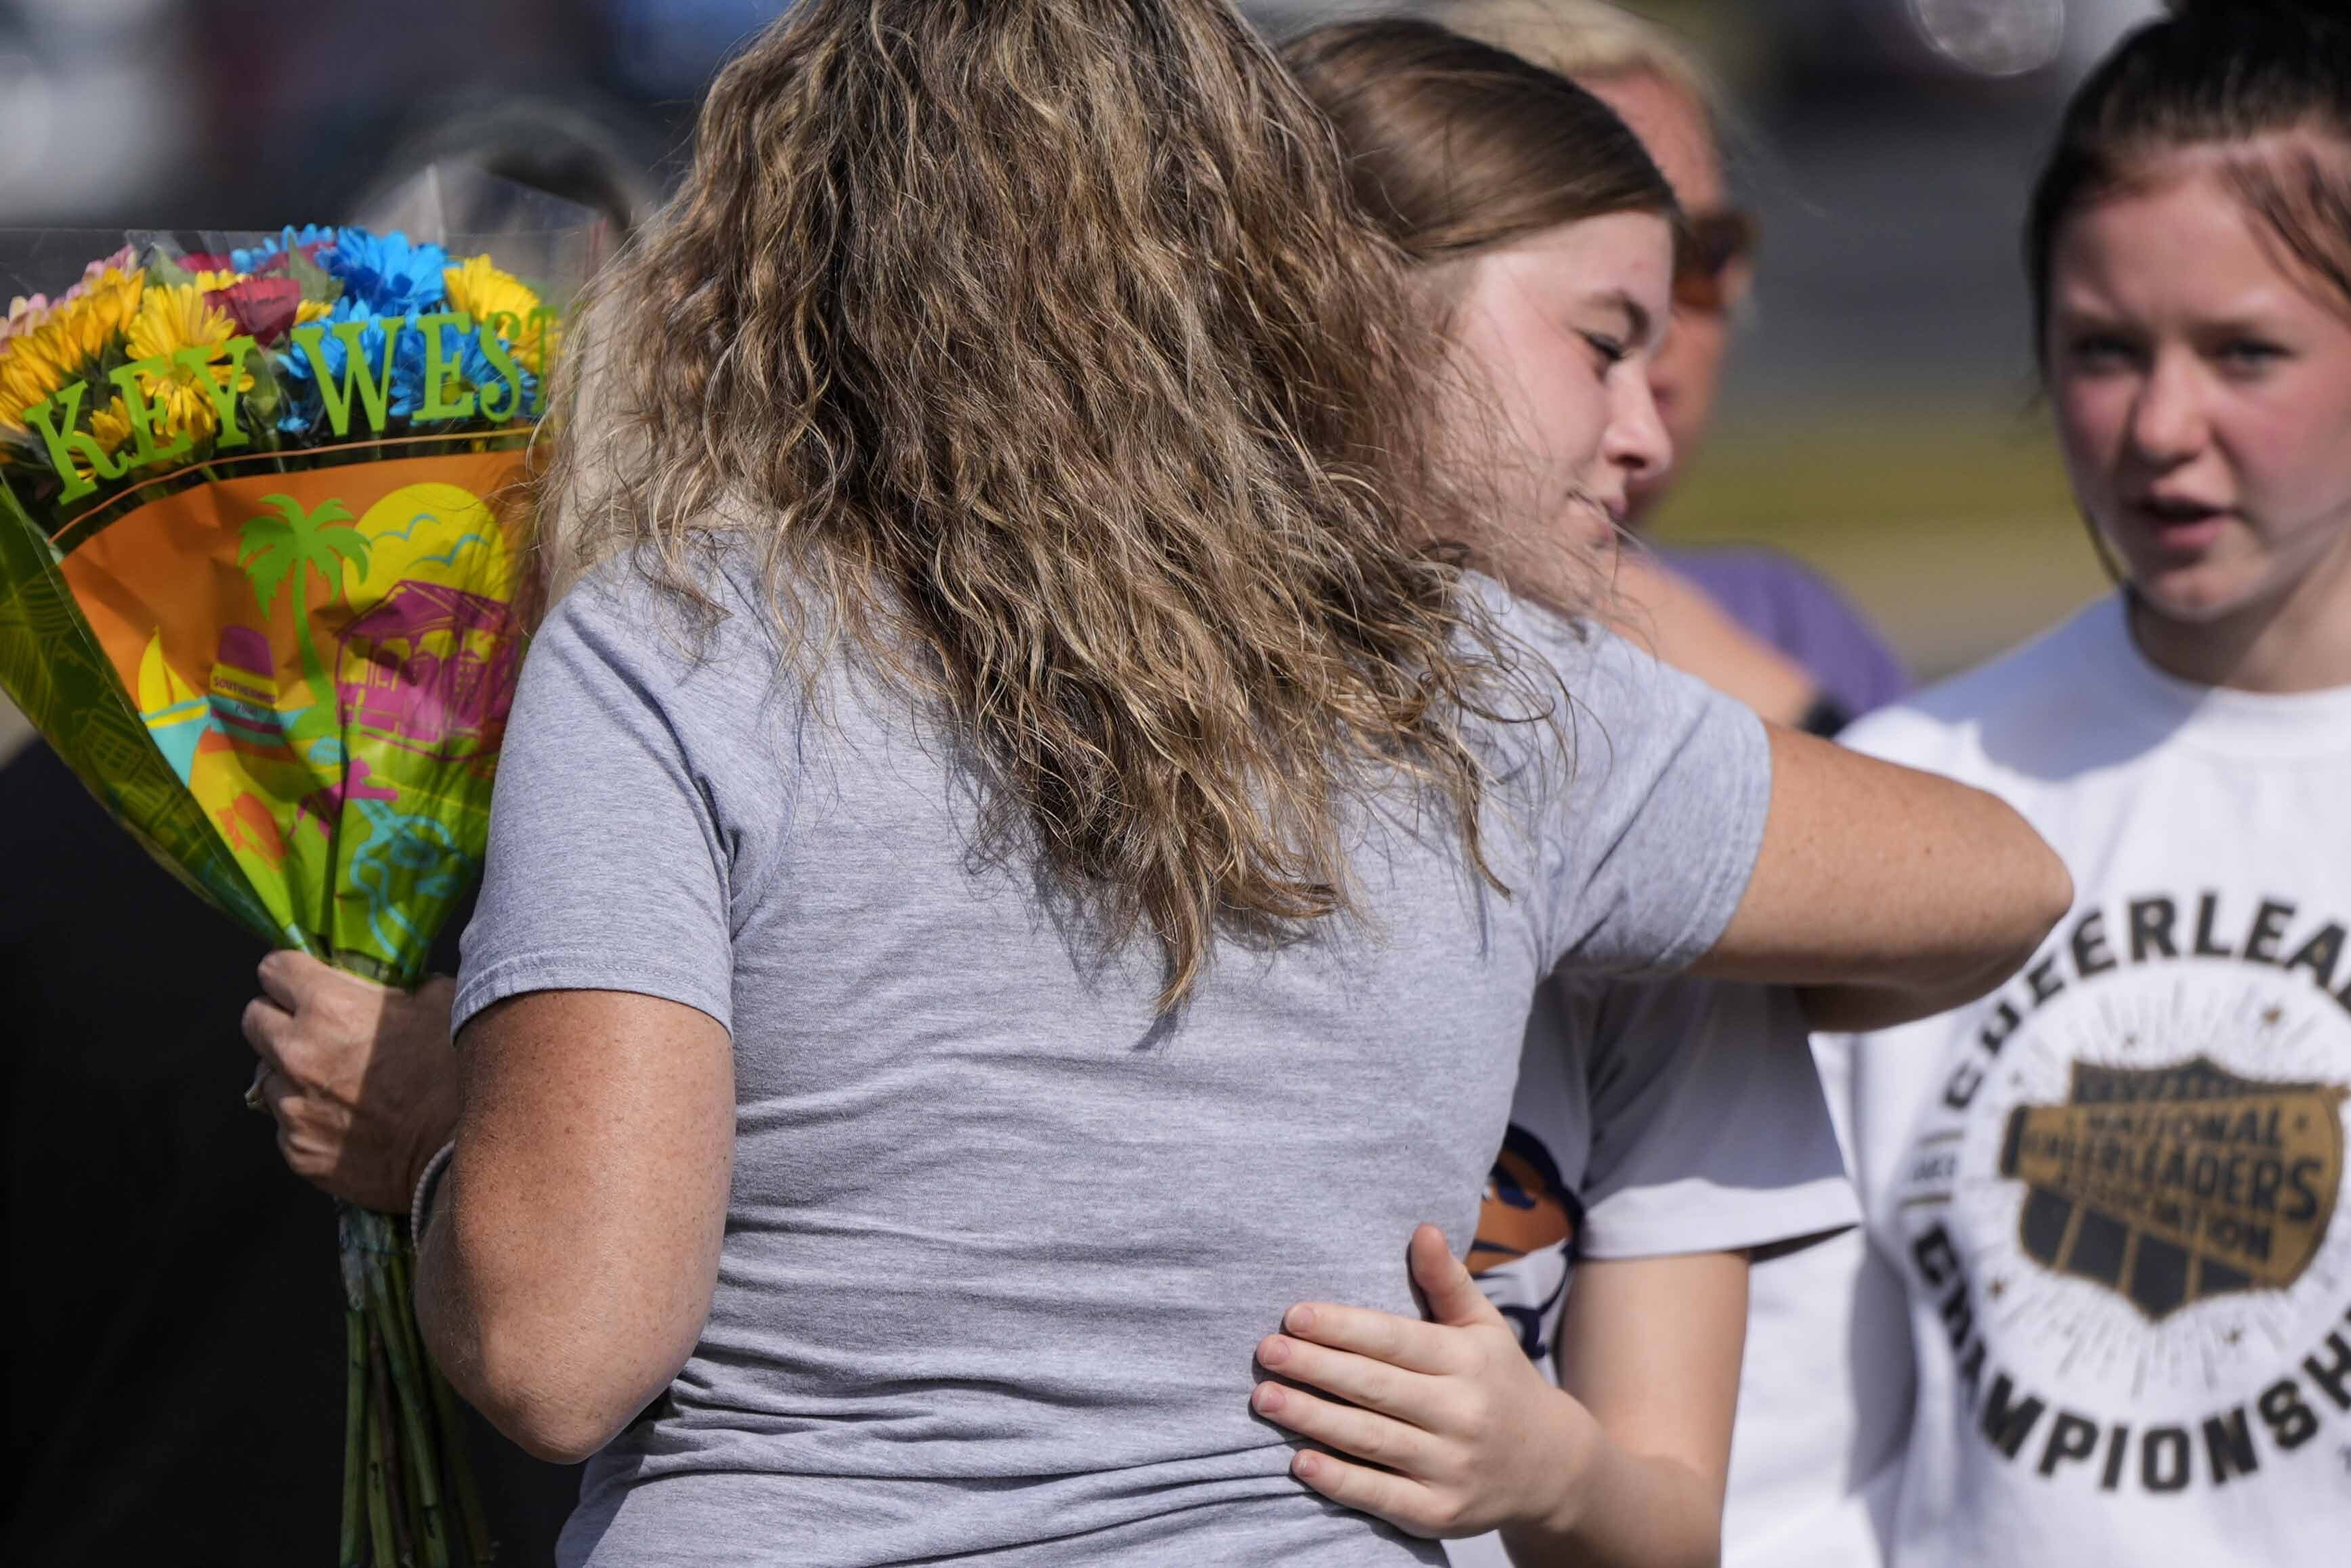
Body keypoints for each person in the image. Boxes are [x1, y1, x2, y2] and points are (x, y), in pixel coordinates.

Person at [246, 3, 2068, 1563]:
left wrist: (434, 1150)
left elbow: (564, 1339)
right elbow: (1993, 882)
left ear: (785, 260)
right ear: (1250, 252)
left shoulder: (677, 649)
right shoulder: (1468, 679)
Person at [1734, 3, 2351, 1564]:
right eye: (2097, 349)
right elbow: (1784, 1459)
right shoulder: (1908, 802)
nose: (2156, 426)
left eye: (2242, 352)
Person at [1250, 22, 1859, 1568]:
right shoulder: (1024, 762)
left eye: (1699, 287)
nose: (1642, 428)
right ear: (1350, 311)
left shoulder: (1674, 857)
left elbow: (1664, 1520)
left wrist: (1545, 1462)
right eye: (1601, 343)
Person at [1434, 0, 1910, 734]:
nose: (1651, 322)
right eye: (1580, 261)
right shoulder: (1281, 647)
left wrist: (1790, 714)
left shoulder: (1787, 624)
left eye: (1701, 253)